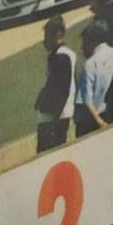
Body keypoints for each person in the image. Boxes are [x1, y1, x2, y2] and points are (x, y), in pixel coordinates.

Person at [34, 15, 77, 151]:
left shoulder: (61, 57)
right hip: (58, 116)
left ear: (57, 35)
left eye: (46, 37)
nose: (44, 41)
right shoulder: (65, 55)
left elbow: (62, 90)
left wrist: (54, 121)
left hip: (53, 118)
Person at [75, 21, 113, 134]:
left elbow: (87, 100)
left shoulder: (90, 64)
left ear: (94, 41)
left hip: (98, 119)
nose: (82, 47)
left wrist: (99, 121)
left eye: (85, 42)